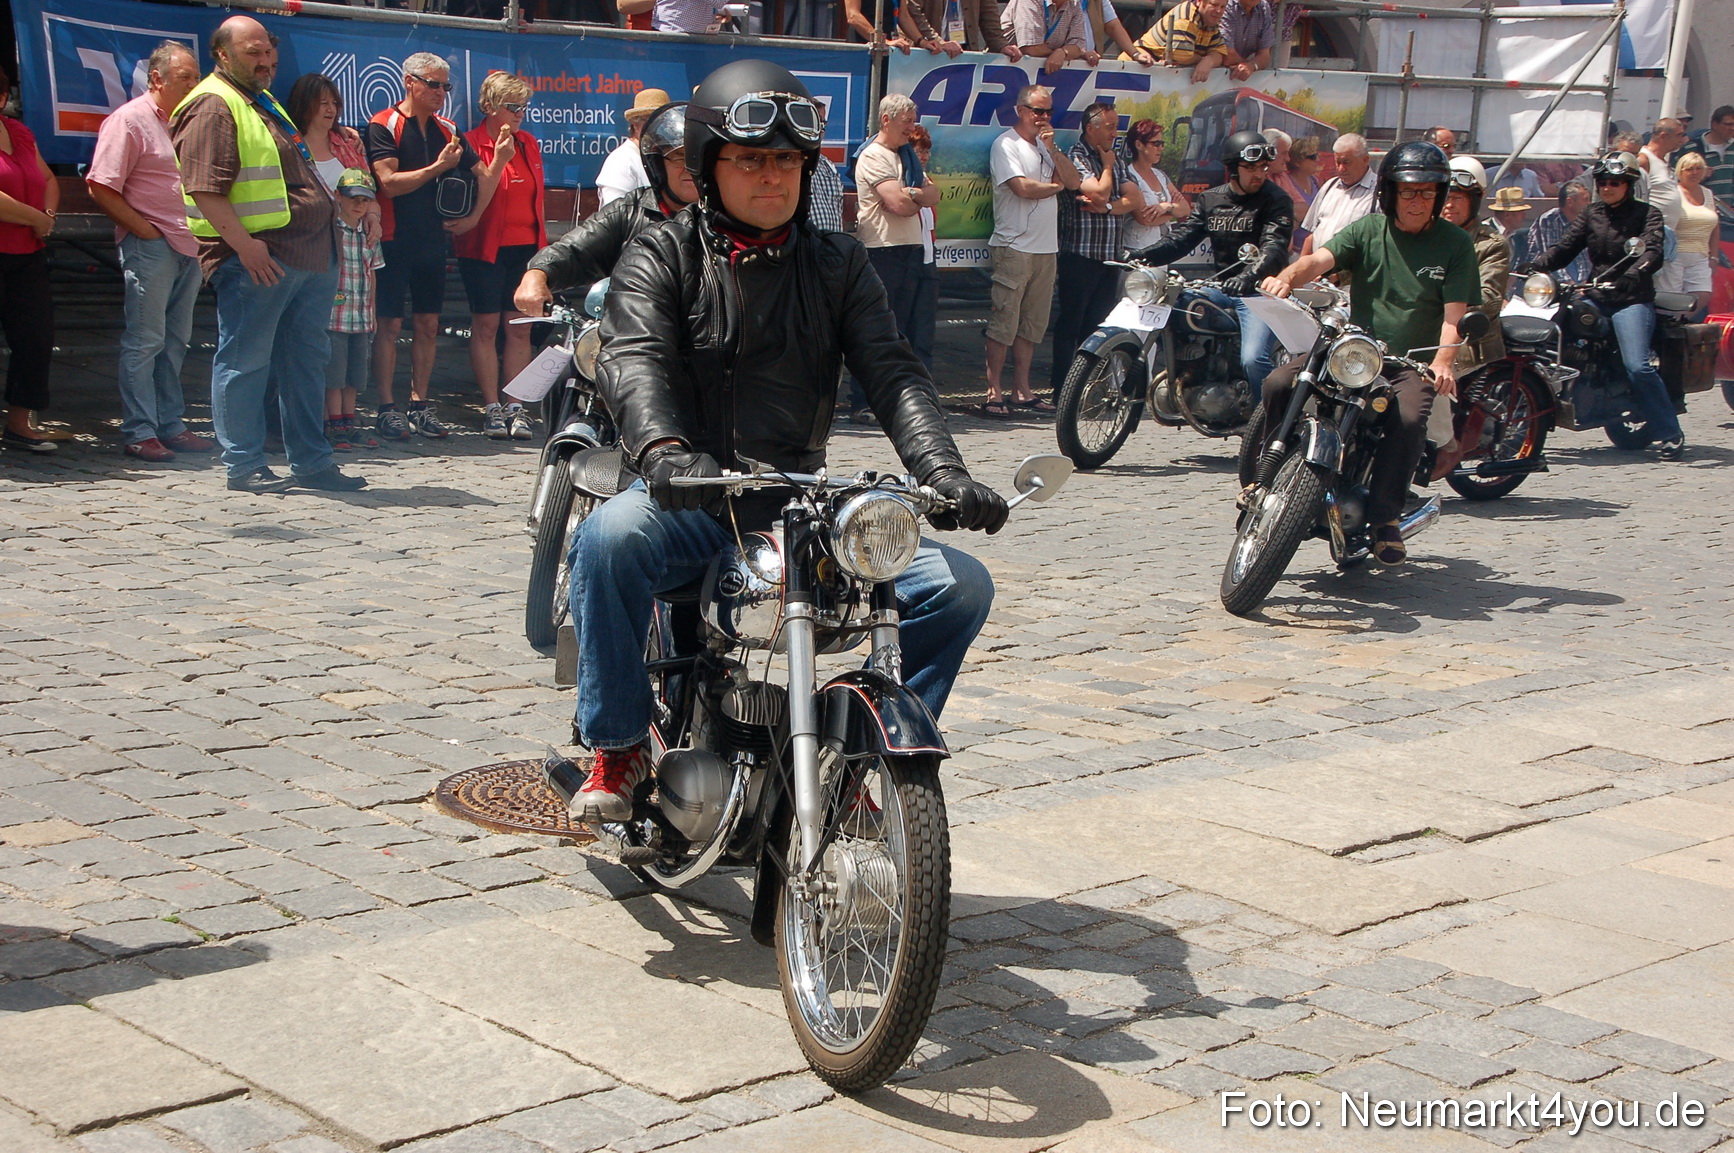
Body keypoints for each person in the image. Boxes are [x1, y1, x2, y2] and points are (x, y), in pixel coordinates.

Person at [560, 59, 1006, 820]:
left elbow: (893, 370)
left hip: (796, 502)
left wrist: (943, 469)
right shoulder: (661, 253)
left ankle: (859, 755)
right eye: (752, 159)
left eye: (789, 161)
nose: (774, 177)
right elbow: (634, 362)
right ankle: (620, 743)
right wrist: (666, 453)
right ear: (708, 166)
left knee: (958, 587)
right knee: (607, 540)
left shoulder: (839, 262)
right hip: (693, 495)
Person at [171, 16, 365, 492]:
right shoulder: (214, 104)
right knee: (245, 361)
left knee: (305, 363)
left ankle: (312, 463)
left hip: (308, 257)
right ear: (222, 54)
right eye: (253, 52)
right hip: (261, 260)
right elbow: (203, 189)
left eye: (269, 52)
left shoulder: (258, 98)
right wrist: (246, 248)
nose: (266, 61)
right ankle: (244, 464)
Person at [1260, 140, 1478, 565]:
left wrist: (1443, 362)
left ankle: (1384, 520)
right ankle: (1264, 475)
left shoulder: (1454, 244)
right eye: (1408, 191)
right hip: (1354, 350)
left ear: (1440, 196)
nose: (1417, 200)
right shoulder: (1368, 230)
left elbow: (1455, 317)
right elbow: (1318, 260)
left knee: (1411, 418)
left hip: (1405, 363)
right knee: (1279, 382)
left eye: (1427, 192)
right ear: (1390, 192)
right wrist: (1285, 277)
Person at [366, 52, 508, 442]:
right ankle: (385, 405)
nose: (442, 92)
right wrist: (437, 169)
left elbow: (485, 177)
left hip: (433, 240)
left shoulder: (448, 128)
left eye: (446, 85)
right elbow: (388, 183)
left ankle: (419, 403)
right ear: (410, 82)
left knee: (428, 325)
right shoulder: (384, 124)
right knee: (389, 325)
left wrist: (476, 212)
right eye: (434, 84)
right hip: (394, 240)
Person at [86, 41, 213, 464]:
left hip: (189, 244)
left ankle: (170, 424)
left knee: (176, 340)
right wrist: (145, 230)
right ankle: (140, 431)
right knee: (145, 341)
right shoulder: (129, 121)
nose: (194, 84)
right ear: (156, 79)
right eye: (185, 78)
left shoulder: (190, 120)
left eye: (197, 77)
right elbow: (101, 184)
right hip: (152, 246)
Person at [1519, 152, 1681, 459]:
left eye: (1615, 183)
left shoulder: (1648, 215)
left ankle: (1670, 433)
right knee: (1549, 341)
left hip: (1630, 299)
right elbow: (1566, 246)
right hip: (1595, 294)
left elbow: (1652, 251)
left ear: (1628, 184)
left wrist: (1633, 275)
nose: (1608, 188)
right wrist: (1537, 264)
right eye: (1603, 182)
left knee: (1637, 366)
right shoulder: (1592, 214)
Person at [1130, 129, 1292, 401]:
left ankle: (1269, 419)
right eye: (1251, 167)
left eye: (1263, 167)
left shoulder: (1276, 200)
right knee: (1173, 305)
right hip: (1222, 288)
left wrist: (1249, 277)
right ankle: (1191, 370)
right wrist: (1144, 255)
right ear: (1232, 168)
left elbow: (1274, 246)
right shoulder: (1212, 199)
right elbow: (1184, 237)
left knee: (1253, 359)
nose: (1259, 174)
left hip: (1260, 294)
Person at [515, 103, 696, 317]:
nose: (689, 167)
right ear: (657, 163)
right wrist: (537, 274)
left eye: (695, 158)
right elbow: (575, 249)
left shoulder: (724, 213)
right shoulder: (629, 211)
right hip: (636, 334)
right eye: (677, 157)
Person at [983, 85, 1081, 417]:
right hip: (1014, 245)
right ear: (1021, 111)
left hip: (1045, 247)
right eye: (1037, 111)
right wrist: (1054, 187)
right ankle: (993, 388)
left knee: (1032, 325)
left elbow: (1074, 181)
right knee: (1003, 324)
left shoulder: (1045, 146)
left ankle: (1021, 389)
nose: (1043, 118)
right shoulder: (1005, 144)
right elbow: (1022, 187)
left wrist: (1053, 151)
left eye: (1048, 112)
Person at [457, 72, 545, 441]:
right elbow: (481, 198)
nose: (520, 114)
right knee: (487, 327)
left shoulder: (528, 142)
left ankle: (515, 405)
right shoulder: (471, 143)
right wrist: (500, 158)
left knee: (519, 329)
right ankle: (492, 406)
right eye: (513, 107)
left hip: (525, 247)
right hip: (484, 248)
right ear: (490, 107)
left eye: (524, 106)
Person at [855, 94, 942, 385]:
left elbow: (934, 196)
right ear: (886, 120)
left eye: (913, 121)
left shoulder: (906, 156)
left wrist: (913, 193)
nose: (911, 128)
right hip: (883, 251)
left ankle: (898, 394)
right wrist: (915, 196)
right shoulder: (873, 155)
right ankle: (863, 401)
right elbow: (899, 206)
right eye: (906, 122)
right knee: (879, 329)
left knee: (905, 332)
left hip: (912, 251)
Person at [1051, 103, 1133, 402]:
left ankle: (1088, 388)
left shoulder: (1115, 155)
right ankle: (1063, 388)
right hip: (1081, 254)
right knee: (1072, 323)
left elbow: (1132, 199)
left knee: (1098, 326)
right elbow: (1097, 191)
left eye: (1116, 126)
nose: (1115, 133)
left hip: (1110, 255)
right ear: (1091, 128)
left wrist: (1109, 207)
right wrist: (1108, 169)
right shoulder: (1077, 155)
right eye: (1109, 126)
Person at [0, 60, 60, 455]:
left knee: (35, 337)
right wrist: (37, 217)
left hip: (26, 253)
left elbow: (49, 180)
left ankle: (20, 424)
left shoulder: (18, 132)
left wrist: (48, 218)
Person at [326, 170, 384, 453]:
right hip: (335, 316)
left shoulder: (369, 235)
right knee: (334, 374)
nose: (359, 206)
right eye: (353, 199)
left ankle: (349, 421)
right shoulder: (330, 231)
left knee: (355, 375)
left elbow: (372, 274)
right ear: (338, 197)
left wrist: (372, 311)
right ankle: (333, 423)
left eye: (365, 200)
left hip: (361, 316)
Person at [287, 73, 380, 243]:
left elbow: (370, 197)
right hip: (303, 246)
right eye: (324, 104)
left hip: (348, 246)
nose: (331, 109)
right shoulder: (286, 146)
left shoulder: (349, 146)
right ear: (305, 106)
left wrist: (373, 218)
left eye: (334, 103)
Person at [1440, 155, 1507, 379]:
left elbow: (1487, 297)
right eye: (1445, 197)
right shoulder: (1426, 238)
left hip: (1469, 350)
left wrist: (1433, 302)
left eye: (1457, 198)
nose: (1449, 205)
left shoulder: (1491, 245)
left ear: (1475, 200)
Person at [1655, 151, 1718, 315]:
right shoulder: (1673, 193)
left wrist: (1714, 256)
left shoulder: (1707, 193)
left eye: (1698, 168)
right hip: (1675, 255)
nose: (1694, 173)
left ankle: (1680, 324)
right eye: (1689, 169)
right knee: (1671, 298)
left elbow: (1715, 226)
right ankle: (1667, 331)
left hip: (1701, 255)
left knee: (1703, 294)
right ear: (1680, 171)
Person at [1299, 132, 1375, 255]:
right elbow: (1312, 234)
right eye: (1337, 162)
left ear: (1365, 160)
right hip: (1318, 271)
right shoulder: (1329, 187)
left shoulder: (1379, 193)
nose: (1340, 169)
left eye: (1346, 162)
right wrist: (1303, 269)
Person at [1119, 119, 1187, 254]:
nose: (1160, 148)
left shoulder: (1161, 175)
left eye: (1162, 143)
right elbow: (1145, 219)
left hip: (1163, 250)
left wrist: (1167, 207)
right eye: (1156, 143)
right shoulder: (1128, 176)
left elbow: (1185, 209)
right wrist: (1173, 211)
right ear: (1139, 144)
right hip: (1137, 251)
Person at [1125, 0, 1229, 85]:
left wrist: (1208, 61)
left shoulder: (1210, 20)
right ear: (1199, 1)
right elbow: (1181, 56)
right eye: (1214, 5)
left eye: (1223, 7)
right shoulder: (1186, 18)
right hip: (1134, 69)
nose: (1219, 11)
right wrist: (1202, 59)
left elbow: (1220, 53)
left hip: (1154, 75)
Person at [596, 88, 669, 206]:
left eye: (664, 121)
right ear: (635, 124)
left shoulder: (664, 157)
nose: (660, 127)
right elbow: (614, 214)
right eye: (652, 120)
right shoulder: (621, 161)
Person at [908, 125, 941, 370]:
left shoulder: (929, 182)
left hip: (928, 262)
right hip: (906, 261)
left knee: (924, 334)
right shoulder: (904, 179)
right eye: (917, 150)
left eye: (925, 151)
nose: (922, 156)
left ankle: (923, 388)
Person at [901, 0, 1024, 62]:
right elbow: (912, 11)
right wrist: (938, 41)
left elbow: (989, 14)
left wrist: (1001, 45)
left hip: (965, 52)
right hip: (926, 54)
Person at [1524, 180, 1592, 288]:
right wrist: (1571, 287)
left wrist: (1588, 284)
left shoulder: (1585, 221)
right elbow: (1551, 259)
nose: (1589, 204)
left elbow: (1585, 258)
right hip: (1549, 284)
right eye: (1585, 200)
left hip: (1582, 285)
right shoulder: (1548, 221)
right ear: (1570, 202)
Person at [1001, 0, 1092, 74]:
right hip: (1005, 68)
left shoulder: (1074, 4)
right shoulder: (1029, 1)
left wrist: (1062, 53)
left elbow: (1077, 46)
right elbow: (1031, 48)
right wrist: (1059, 54)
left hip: (1041, 73)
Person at [1274, 134, 1322, 250]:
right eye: (1313, 156)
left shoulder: (1314, 181)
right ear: (1297, 161)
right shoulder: (1285, 181)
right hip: (1295, 250)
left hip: (1315, 248)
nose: (1317, 160)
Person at [1680, 105, 1734, 206]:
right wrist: (1698, 175)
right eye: (1728, 124)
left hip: (1730, 215)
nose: (1732, 128)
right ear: (1714, 124)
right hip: (1703, 210)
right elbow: (1675, 178)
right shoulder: (1692, 148)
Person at [1639, 118, 1687, 223]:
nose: (1682, 140)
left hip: (1667, 233)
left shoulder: (1663, 161)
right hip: (1651, 230)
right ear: (1663, 136)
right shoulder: (1644, 159)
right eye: (1679, 135)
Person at [1221, 0, 1276, 80]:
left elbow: (1265, 56)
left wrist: (1252, 66)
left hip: (1239, 77)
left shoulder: (1263, 7)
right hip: (1210, 73)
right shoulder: (1225, 4)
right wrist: (1248, 66)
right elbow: (1226, 55)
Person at [1487, 186, 1534, 267]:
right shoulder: (1484, 233)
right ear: (1507, 215)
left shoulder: (1518, 237)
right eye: (1521, 212)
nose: (1524, 216)